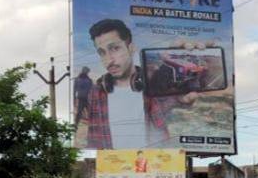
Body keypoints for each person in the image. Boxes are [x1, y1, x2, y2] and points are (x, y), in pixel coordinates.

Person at [84, 19, 198, 149]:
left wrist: (185, 66)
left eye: (115, 48)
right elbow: (93, 140)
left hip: (156, 164)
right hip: (112, 165)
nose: (109, 60)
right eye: (102, 52)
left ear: (131, 48)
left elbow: (179, 99)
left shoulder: (153, 82)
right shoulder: (96, 92)